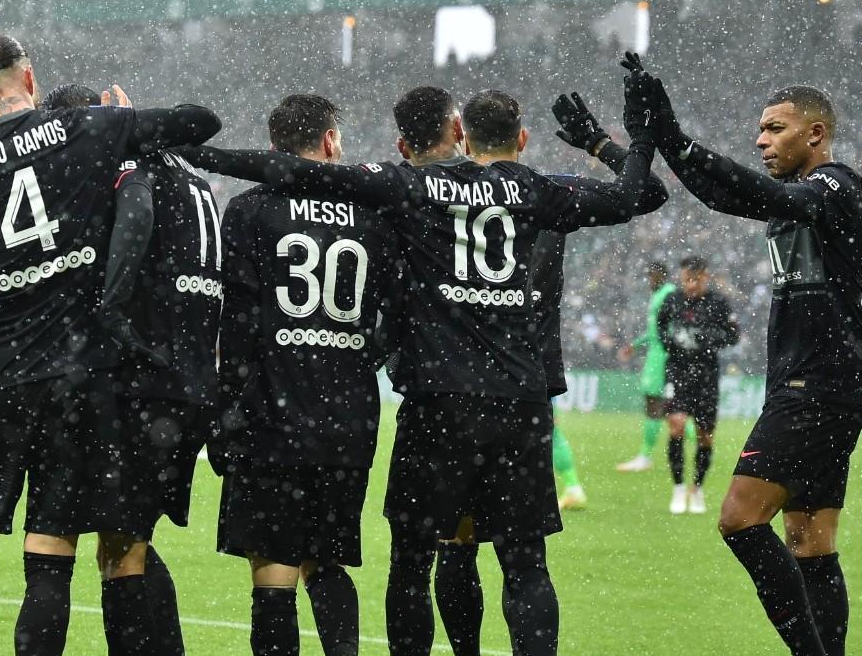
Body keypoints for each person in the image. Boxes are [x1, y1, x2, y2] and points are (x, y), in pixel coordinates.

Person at [177, 76, 661, 655]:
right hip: (520, 397)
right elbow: (641, 195)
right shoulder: (534, 189)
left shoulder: (407, 186)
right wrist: (619, 141)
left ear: (415, 140)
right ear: (463, 132)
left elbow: (296, 174)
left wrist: (194, 152)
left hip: (439, 399)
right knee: (525, 564)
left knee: (415, 562)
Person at [0, 34, 220, 655]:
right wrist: (125, 121)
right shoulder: (80, 131)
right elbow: (202, 121)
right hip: (76, 376)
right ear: (29, 79)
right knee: (51, 554)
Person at [626, 53, 862, 656]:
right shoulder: (793, 195)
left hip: (822, 381)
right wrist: (656, 142)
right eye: (760, 129)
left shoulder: (836, 185)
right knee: (811, 542)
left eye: (775, 128)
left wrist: (676, 137)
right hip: (820, 378)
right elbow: (723, 194)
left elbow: (747, 188)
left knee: (739, 518)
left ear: (815, 134)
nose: (761, 139)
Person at [432, 89, 670, 655]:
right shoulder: (550, 191)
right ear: (523, 139)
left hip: (453, 386)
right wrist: (604, 144)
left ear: (462, 137)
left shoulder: (436, 192)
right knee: (525, 560)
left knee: (454, 544)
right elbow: (648, 193)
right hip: (524, 386)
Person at [214, 93, 400, 655]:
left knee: (274, 574)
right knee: (329, 561)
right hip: (347, 420)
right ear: (329, 141)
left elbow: (237, 321)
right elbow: (395, 316)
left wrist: (224, 408)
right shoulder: (375, 215)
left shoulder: (248, 211)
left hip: (270, 415)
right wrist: (352, 360)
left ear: (272, 149)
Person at [42, 82, 221, 654]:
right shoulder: (187, 171)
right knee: (128, 538)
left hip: (148, 380)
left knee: (122, 550)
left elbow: (137, 211)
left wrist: (112, 308)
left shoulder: (133, 161)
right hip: (190, 379)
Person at [657, 256, 740, 514]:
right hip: (677, 371)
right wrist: (669, 343)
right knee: (676, 425)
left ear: (705, 277)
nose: (690, 285)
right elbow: (660, 324)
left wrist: (709, 337)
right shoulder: (672, 300)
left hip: (706, 374)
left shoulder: (719, 303)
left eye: (695, 279)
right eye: (685, 280)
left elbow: (733, 335)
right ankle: (679, 488)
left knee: (705, 436)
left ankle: (697, 488)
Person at [616, 261, 677, 472]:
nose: (649, 280)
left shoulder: (669, 293)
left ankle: (644, 456)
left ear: (661, 275)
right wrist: (635, 344)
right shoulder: (659, 294)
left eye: (652, 276)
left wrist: (674, 351)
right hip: (656, 354)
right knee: (666, 405)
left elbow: (669, 329)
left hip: (663, 356)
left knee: (656, 403)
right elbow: (654, 331)